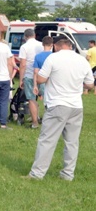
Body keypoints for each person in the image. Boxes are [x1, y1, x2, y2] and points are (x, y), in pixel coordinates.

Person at [28, 38, 94, 181]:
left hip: (57, 103)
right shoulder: (82, 60)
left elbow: (40, 79)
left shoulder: (53, 58)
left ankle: (37, 174)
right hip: (76, 105)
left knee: (47, 140)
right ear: (70, 46)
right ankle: (68, 174)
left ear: (56, 46)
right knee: (72, 142)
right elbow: (89, 84)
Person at [18, 29, 44, 128]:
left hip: (29, 75)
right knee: (45, 98)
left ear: (25, 37)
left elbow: (23, 64)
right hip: (42, 75)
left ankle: (35, 123)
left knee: (31, 99)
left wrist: (21, 79)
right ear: (34, 35)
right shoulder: (41, 45)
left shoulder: (24, 47)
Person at [32, 36, 53, 102]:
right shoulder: (54, 56)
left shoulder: (37, 56)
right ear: (52, 45)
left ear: (42, 44)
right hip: (53, 81)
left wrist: (35, 85)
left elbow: (35, 72)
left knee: (46, 102)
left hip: (42, 81)